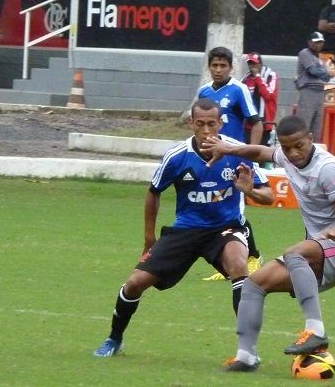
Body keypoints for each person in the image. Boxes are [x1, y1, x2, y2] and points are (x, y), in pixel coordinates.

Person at [93, 98, 274, 357]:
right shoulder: (177, 156)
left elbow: (269, 196)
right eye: (200, 124)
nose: (207, 131)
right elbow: (153, 192)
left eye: (212, 124)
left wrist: (251, 192)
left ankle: (248, 351)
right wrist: (149, 238)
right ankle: (114, 339)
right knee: (135, 283)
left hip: (226, 228)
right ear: (191, 123)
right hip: (186, 230)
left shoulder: (237, 152)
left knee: (238, 266)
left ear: (221, 123)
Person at [200, 115, 335, 372]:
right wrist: (228, 150)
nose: (293, 153)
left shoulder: (327, 168)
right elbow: (260, 151)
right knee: (254, 284)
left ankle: (315, 331)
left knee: (294, 252)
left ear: (310, 139)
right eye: (287, 148)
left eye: (299, 145)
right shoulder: (286, 155)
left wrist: (334, 231)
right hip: (316, 253)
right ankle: (246, 357)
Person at [198, 46, 266, 280]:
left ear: (230, 67)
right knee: (215, 204)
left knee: (235, 208)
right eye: (214, 65)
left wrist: (251, 154)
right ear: (209, 67)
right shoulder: (204, 92)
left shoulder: (239, 90)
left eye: (223, 66)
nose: (218, 70)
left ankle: (253, 258)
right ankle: (227, 262)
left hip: (234, 156)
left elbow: (256, 123)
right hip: (211, 157)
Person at [295, 31, 335, 142]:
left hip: (320, 92)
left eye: (321, 42)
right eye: (316, 42)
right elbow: (314, 71)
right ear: (310, 42)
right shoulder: (305, 53)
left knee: (317, 127)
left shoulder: (320, 57)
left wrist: (326, 72)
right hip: (308, 90)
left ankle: (314, 153)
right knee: (304, 125)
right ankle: (301, 152)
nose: (319, 45)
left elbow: (326, 78)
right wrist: (327, 72)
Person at [241, 52, 279, 148]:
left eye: (254, 63)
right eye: (250, 63)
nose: (252, 66)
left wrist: (258, 77)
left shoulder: (270, 75)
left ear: (260, 64)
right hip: (248, 123)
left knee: (260, 154)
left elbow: (269, 95)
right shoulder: (246, 78)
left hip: (264, 123)